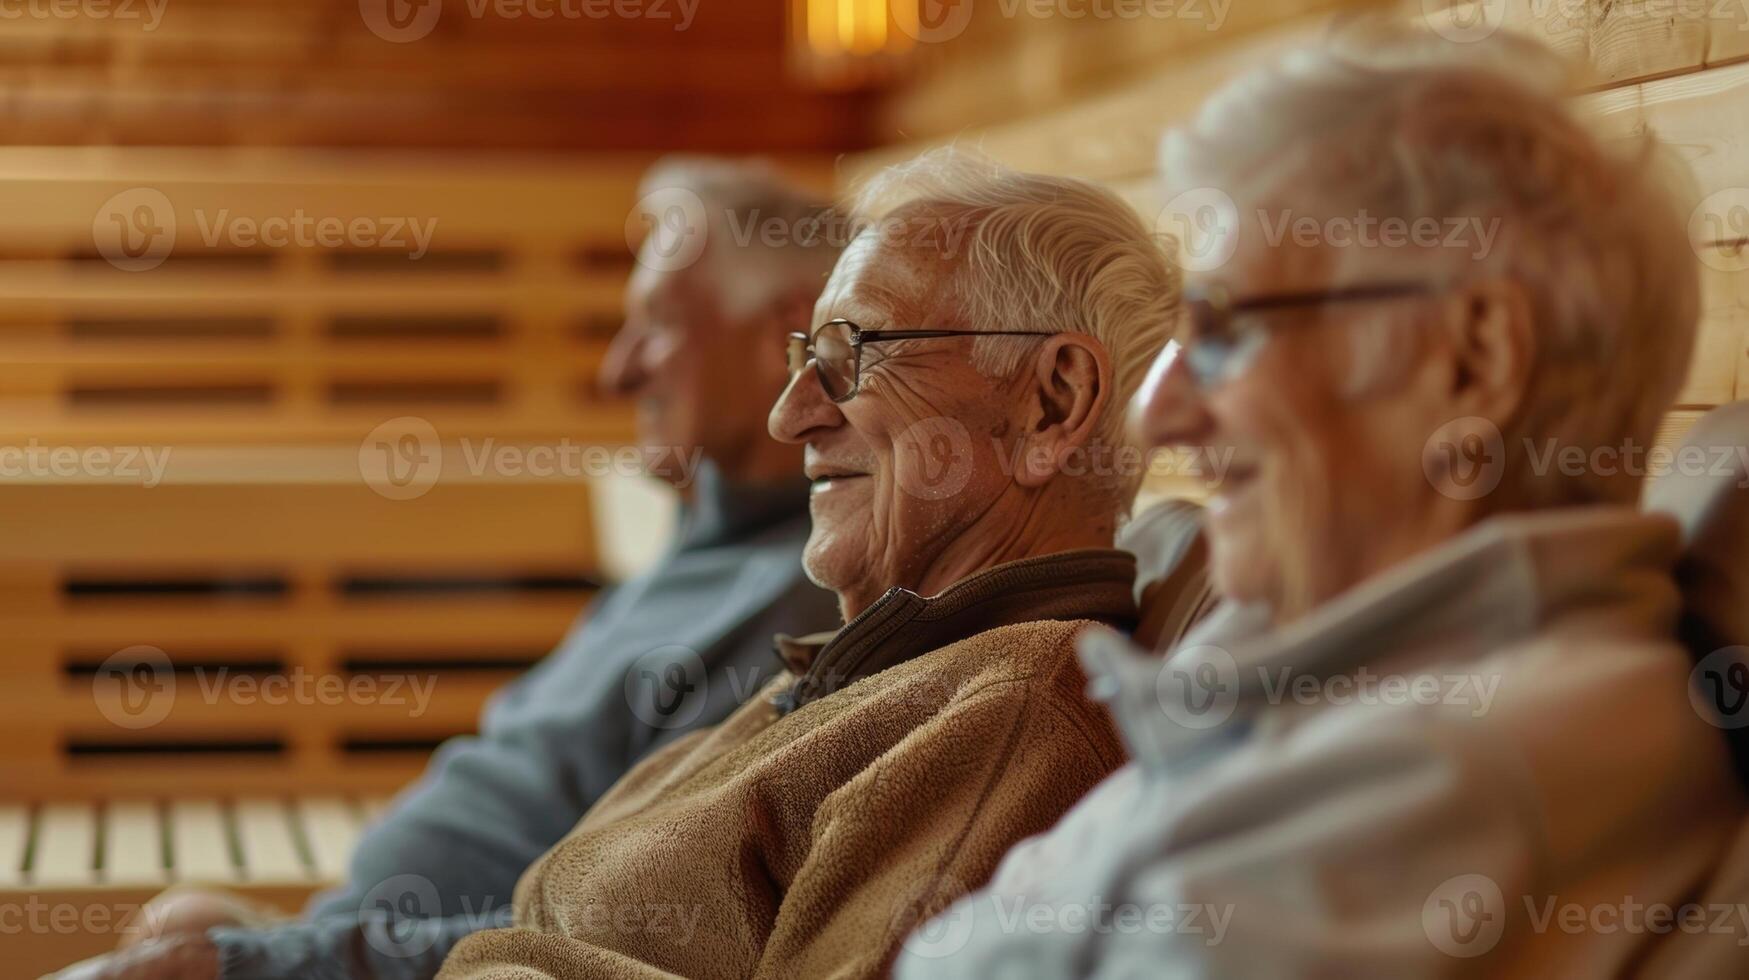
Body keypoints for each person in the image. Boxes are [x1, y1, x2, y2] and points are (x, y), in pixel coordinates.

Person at [896, 27, 1748, 977]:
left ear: (1471, 360)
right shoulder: (1310, 676)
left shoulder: (1443, 782)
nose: (1157, 415)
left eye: (1221, 334)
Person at [59, 157, 844, 980]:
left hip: (428, 966)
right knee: (179, 919)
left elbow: (616, 927)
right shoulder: (707, 526)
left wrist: (272, 963)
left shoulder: (801, 598)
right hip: (351, 940)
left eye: (656, 324)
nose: (618, 370)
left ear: (783, 329)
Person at [434, 150, 1180, 980]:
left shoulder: (1007, 713)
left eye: (852, 352)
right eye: (803, 358)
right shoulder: (895, 659)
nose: (791, 416)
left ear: (1053, 404)